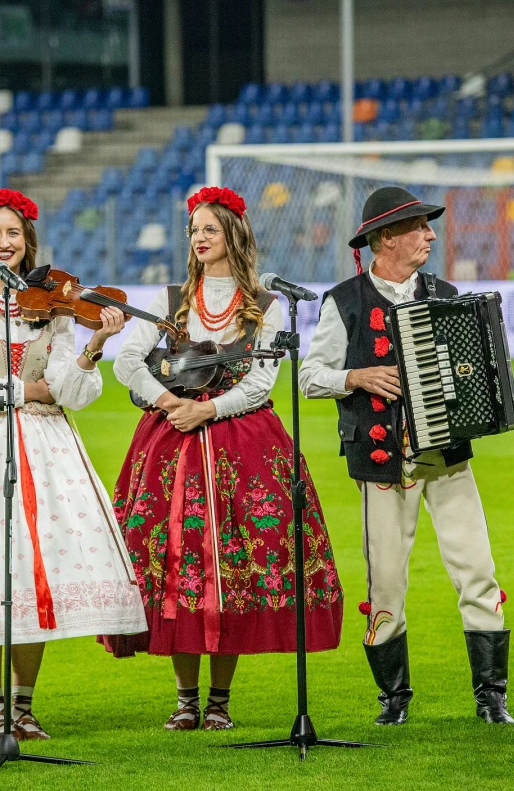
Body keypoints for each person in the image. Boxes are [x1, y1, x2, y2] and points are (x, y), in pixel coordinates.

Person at [106, 185, 343, 731]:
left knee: (232, 569)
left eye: (210, 228)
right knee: (178, 568)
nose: (199, 238)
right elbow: (128, 363)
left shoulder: (266, 305)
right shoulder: (170, 299)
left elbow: (261, 384)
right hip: (171, 442)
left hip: (242, 444)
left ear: (233, 234)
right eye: (194, 230)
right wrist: (173, 404)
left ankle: (219, 701)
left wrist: (208, 410)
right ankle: (186, 700)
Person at [0, 188, 148, 742]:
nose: (4, 242)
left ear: (28, 244)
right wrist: (30, 390)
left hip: (47, 449)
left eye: (14, 234)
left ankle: (22, 708)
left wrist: (94, 344)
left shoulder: (53, 312)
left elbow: (73, 392)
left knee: (31, 572)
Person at [300, 185, 514, 727]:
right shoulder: (343, 300)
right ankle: (394, 699)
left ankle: (492, 697)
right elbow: (309, 377)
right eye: (419, 226)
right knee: (386, 584)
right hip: (381, 462)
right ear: (385, 239)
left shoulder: (446, 293)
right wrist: (355, 376)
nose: (430, 235)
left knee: (477, 571)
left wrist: (492, 397)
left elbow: (470, 368)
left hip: (446, 457)